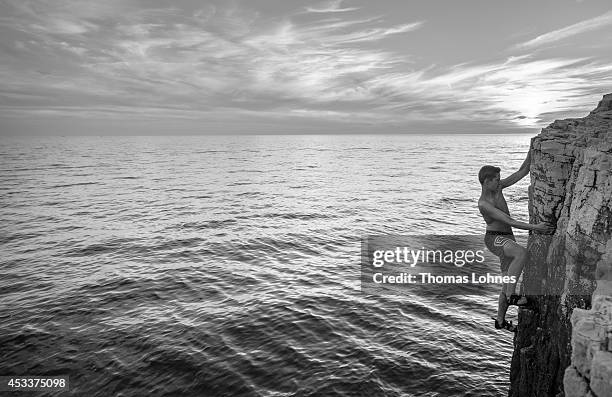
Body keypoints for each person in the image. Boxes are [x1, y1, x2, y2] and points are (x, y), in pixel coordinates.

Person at [478, 151, 554, 332]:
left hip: (507, 238)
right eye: (496, 179)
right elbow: (510, 221)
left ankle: (500, 320)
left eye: (499, 179)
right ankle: (512, 296)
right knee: (521, 253)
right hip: (495, 239)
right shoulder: (483, 204)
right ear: (486, 182)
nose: (499, 181)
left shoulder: (498, 188)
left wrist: (533, 148)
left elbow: (522, 171)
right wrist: (538, 227)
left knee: (506, 285)